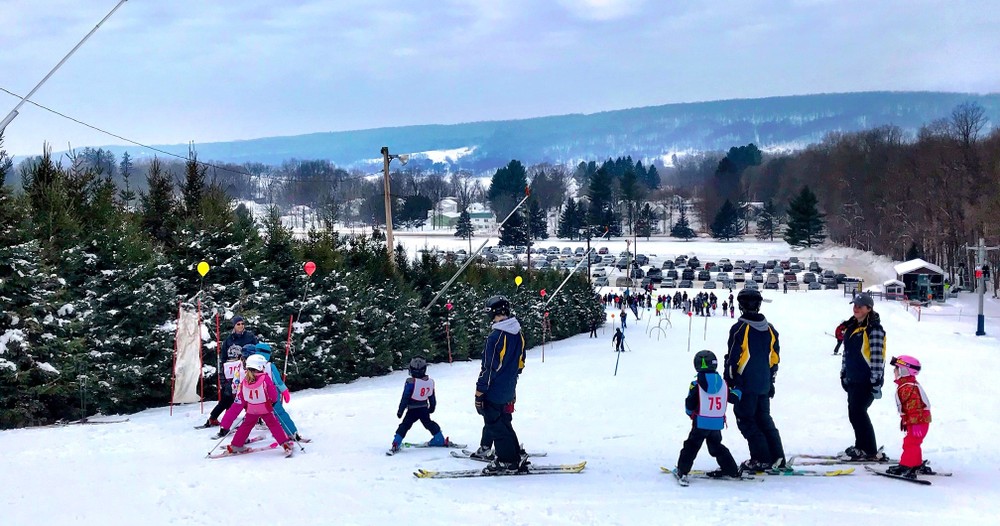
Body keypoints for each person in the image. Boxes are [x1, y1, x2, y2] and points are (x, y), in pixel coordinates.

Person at [724, 289, 786, 472]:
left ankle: (761, 458)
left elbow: (733, 358)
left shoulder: (740, 328)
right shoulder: (770, 329)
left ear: (740, 306)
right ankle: (777, 456)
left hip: (745, 385)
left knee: (747, 420)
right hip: (763, 384)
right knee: (764, 419)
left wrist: (730, 382)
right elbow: (774, 359)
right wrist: (771, 381)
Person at [476, 295, 528, 473]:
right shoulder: (518, 334)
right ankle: (513, 455)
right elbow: (520, 363)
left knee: (494, 424)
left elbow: (488, 368)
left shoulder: (496, 337)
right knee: (504, 422)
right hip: (509, 387)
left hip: (495, 390)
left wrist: (480, 392)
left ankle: (507, 460)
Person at [674, 350, 742, 483]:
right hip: (717, 423)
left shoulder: (696, 385)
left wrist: (690, 414)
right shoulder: (723, 384)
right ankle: (731, 470)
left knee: (691, 446)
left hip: (701, 422)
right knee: (716, 447)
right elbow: (734, 398)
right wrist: (739, 388)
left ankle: (682, 471)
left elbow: (690, 403)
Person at [839, 293, 887, 461]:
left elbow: (876, 356)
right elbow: (847, 353)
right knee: (854, 413)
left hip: (866, 379)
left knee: (858, 412)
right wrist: (843, 373)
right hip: (853, 378)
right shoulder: (852, 327)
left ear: (869, 308)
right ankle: (861, 446)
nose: (856, 308)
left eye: (860, 306)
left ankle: (869, 449)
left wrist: (876, 380)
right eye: (855, 306)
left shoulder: (873, 329)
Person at [216, 354, 294, 455]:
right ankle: (284, 443)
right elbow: (273, 393)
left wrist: (227, 422)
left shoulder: (245, 380)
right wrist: (274, 401)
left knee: (246, 425)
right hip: (265, 408)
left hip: (251, 409)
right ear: (260, 366)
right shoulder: (265, 378)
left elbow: (241, 398)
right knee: (273, 424)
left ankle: (236, 445)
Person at [886, 355, 933, 478]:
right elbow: (908, 408)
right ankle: (915, 463)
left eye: (896, 369)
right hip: (918, 421)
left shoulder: (908, 387)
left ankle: (907, 466)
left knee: (910, 443)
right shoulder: (907, 385)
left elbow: (915, 407)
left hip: (919, 421)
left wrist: (915, 423)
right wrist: (905, 420)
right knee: (913, 442)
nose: (894, 372)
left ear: (904, 370)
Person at [390, 357, 447, 453]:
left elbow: (405, 398)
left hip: (412, 410)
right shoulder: (430, 382)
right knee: (429, 424)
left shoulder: (410, 383)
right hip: (424, 409)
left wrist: (400, 410)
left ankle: (396, 442)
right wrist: (432, 407)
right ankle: (439, 439)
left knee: (404, 426)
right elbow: (431, 396)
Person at [251, 342, 303, 441]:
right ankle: (292, 432)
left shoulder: (249, 366)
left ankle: (240, 439)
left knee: (250, 416)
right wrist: (285, 391)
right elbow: (278, 382)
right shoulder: (269, 366)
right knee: (279, 413)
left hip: (255, 395)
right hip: (271, 394)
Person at [202, 346, 243, 427]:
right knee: (231, 405)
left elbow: (221, 375)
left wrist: (223, 385)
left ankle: (212, 418)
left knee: (222, 404)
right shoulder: (240, 363)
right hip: (236, 387)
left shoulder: (225, 364)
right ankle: (226, 422)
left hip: (226, 388)